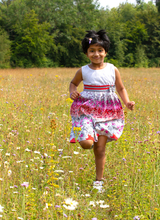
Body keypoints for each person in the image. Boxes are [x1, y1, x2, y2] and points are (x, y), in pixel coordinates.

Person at [69, 30, 135, 192]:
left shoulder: (113, 69)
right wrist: (72, 92)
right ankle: (87, 135)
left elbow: (120, 88)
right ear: (86, 53)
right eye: (92, 50)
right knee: (86, 144)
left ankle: (99, 181)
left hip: (108, 112)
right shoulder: (83, 70)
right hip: (86, 110)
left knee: (100, 149)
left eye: (100, 50)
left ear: (105, 51)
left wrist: (127, 102)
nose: (96, 54)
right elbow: (73, 83)